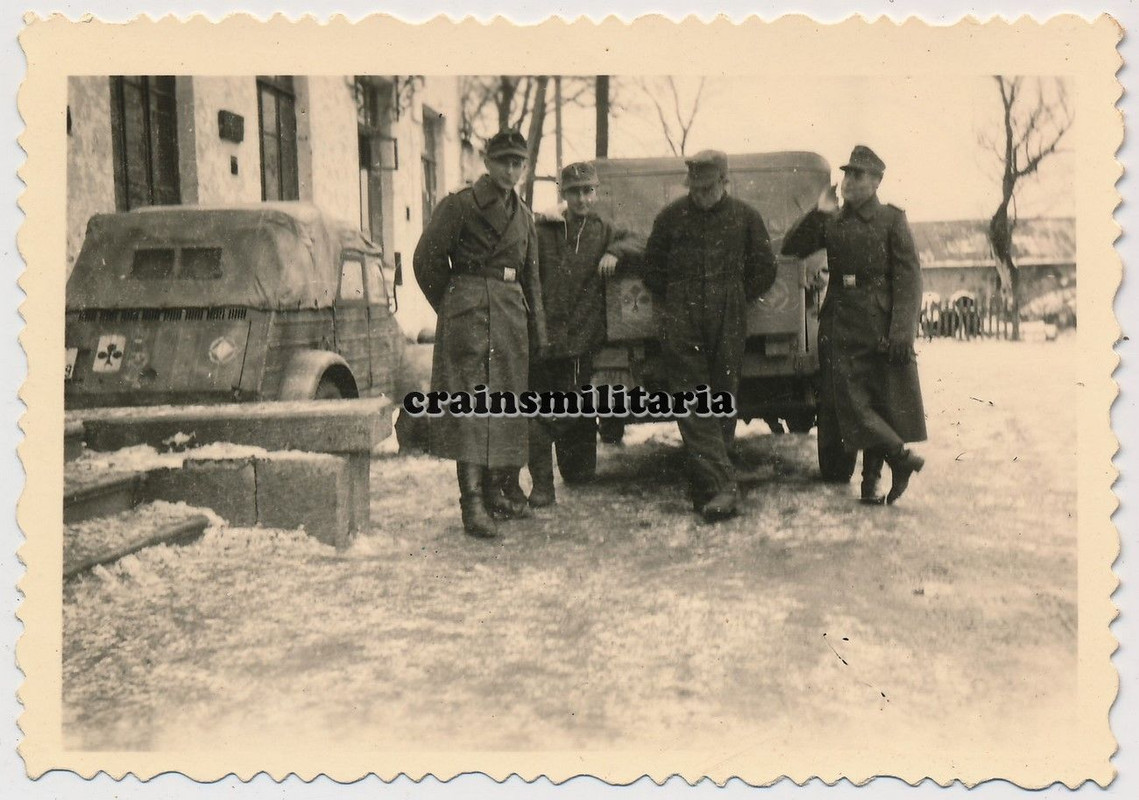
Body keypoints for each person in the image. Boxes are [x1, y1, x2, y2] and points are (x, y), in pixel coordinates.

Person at [413, 129, 547, 538]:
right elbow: (426, 261)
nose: (510, 170)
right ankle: (471, 504)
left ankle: (496, 493)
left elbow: (532, 278)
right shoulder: (461, 205)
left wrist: (538, 328)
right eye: (503, 161)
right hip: (469, 313)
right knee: (471, 410)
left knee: (505, 407)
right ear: (486, 163)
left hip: (509, 315)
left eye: (517, 163)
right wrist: (455, 305)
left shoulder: (523, 215)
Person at [781, 145, 926, 504]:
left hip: (878, 322)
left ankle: (871, 481)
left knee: (873, 400)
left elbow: (909, 280)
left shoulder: (892, 220)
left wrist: (901, 333)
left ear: (877, 181)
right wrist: (818, 213)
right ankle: (900, 457)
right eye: (847, 174)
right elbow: (791, 247)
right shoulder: (833, 219)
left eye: (858, 175)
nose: (848, 181)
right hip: (839, 320)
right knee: (846, 399)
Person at [642, 150, 777, 521]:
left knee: (722, 396)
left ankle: (710, 481)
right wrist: (676, 296)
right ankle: (721, 486)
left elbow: (765, 268)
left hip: (729, 311)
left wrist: (734, 295)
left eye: (707, 187)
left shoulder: (746, 217)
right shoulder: (670, 218)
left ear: (723, 182)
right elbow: (650, 267)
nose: (700, 194)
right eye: (695, 188)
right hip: (681, 312)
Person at [526, 161, 645, 507]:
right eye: (575, 192)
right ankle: (543, 485)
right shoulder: (543, 229)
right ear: (563, 193)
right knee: (539, 406)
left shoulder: (602, 229)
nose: (582, 199)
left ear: (596, 193)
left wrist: (614, 251)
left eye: (588, 191)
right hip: (543, 338)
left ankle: (561, 473)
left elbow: (639, 240)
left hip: (580, 340)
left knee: (568, 410)